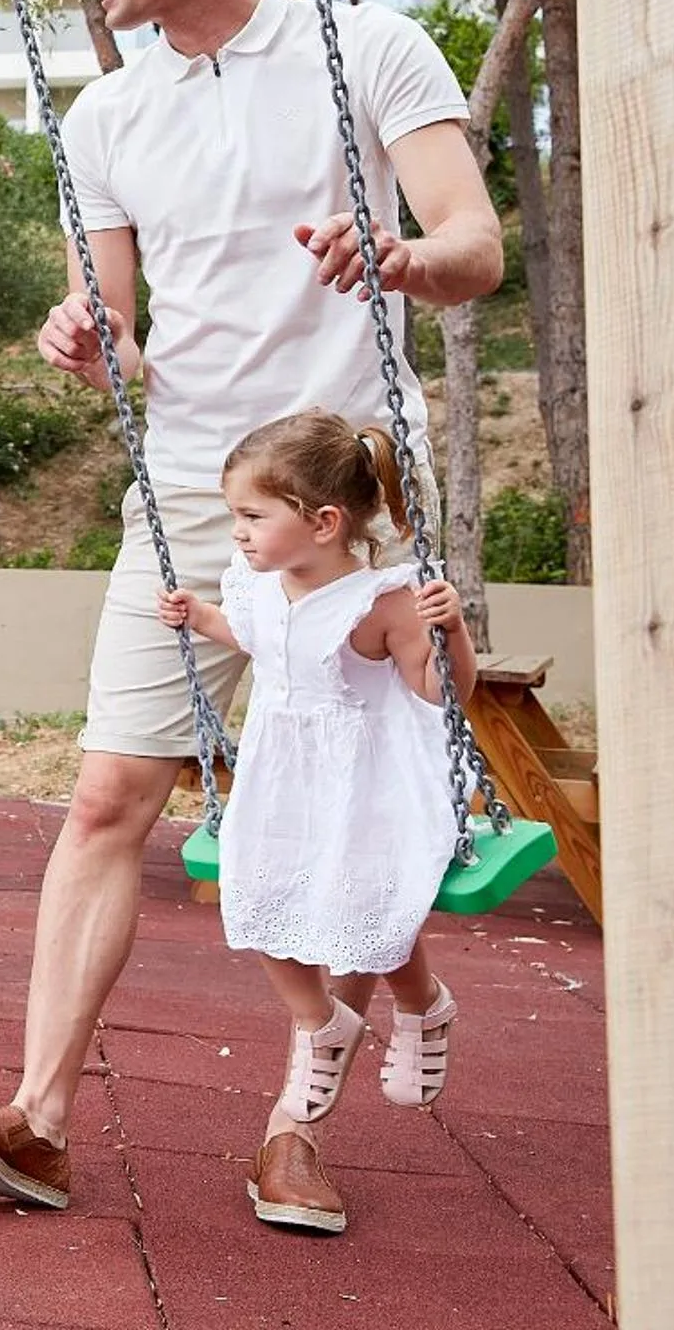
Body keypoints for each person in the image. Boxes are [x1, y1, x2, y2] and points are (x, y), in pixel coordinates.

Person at [0, 0, 502, 1211]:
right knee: (110, 793)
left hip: (346, 484)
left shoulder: (368, 47)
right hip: (189, 487)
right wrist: (84, 336)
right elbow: (117, 327)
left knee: (346, 804)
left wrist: (401, 256)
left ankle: (298, 1125)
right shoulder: (106, 118)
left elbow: (475, 246)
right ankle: (40, 1119)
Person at [151, 410, 472, 1234]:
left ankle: (423, 1003)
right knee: (257, 899)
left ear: (323, 523)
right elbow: (258, 638)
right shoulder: (257, 582)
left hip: (367, 783)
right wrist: (200, 618)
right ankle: (320, 1021)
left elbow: (441, 692)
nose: (238, 531)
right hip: (283, 780)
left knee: (369, 907)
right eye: (235, 515)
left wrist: (452, 631)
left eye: (252, 515)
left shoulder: (383, 601)